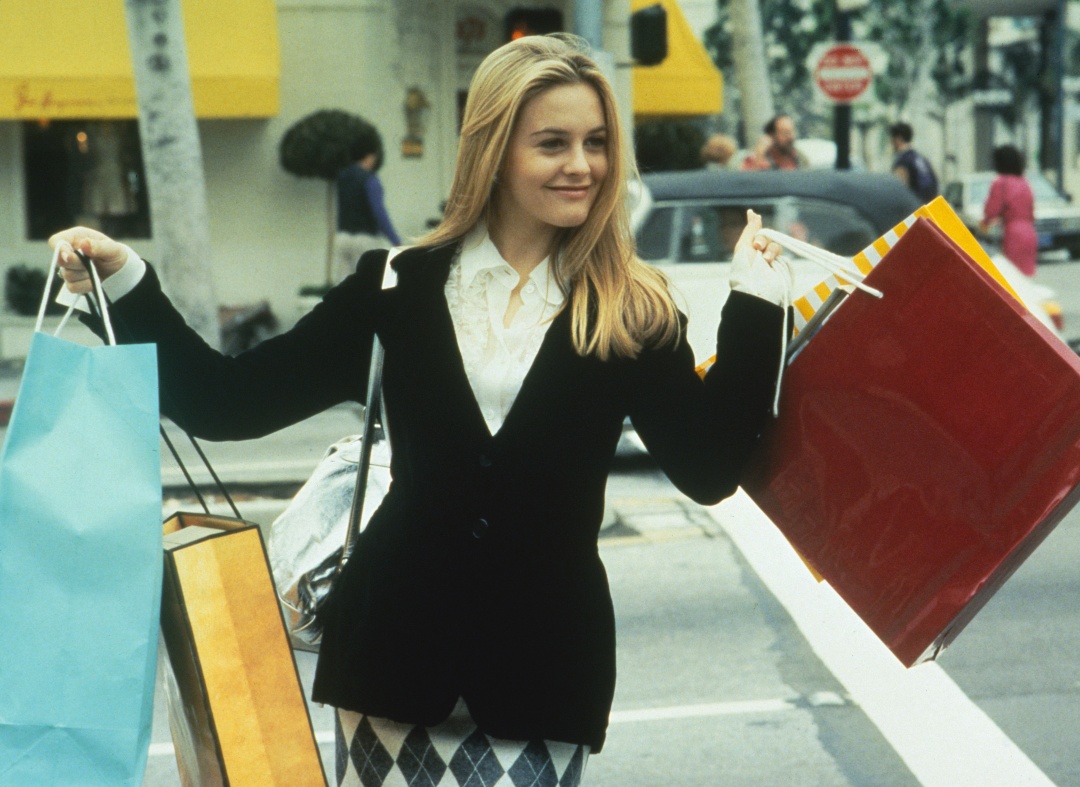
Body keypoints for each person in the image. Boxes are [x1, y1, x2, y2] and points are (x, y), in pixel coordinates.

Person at [51, 34, 788, 787]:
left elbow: (708, 467)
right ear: (495, 150)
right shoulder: (396, 286)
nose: (583, 165)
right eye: (553, 143)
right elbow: (226, 402)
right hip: (391, 658)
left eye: (597, 142)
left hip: (544, 669)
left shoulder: (631, 309)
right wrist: (126, 282)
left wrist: (756, 308)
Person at [334, 134, 402, 281]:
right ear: (369, 156)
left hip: (342, 237)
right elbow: (379, 212)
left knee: (344, 287)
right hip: (364, 239)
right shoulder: (370, 179)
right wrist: (395, 240)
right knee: (367, 283)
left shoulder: (342, 177)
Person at [981, 144, 1038, 277]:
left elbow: (991, 211)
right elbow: (1031, 211)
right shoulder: (1024, 182)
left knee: (1011, 279)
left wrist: (984, 223)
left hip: (1013, 234)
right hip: (1029, 233)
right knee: (1024, 279)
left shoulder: (1001, 182)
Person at [888, 122, 939, 201]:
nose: (891, 142)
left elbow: (899, 190)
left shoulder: (903, 161)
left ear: (898, 139)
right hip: (931, 205)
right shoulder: (921, 158)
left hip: (917, 207)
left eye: (892, 139)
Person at [741, 115, 806, 171]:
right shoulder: (758, 159)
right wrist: (759, 155)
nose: (790, 138)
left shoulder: (799, 158)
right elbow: (748, 182)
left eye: (791, 132)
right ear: (771, 136)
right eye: (785, 133)